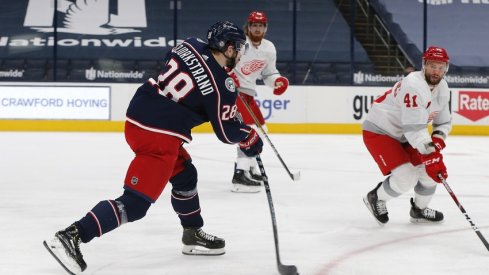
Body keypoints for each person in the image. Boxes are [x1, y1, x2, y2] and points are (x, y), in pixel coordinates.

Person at [43, 21, 263, 274]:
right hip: (159, 135)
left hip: (139, 114)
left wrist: (221, 97)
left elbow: (191, 78)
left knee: (185, 175)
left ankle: (192, 234)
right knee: (135, 204)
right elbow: (226, 132)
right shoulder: (222, 88)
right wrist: (249, 138)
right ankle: (71, 236)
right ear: (228, 48)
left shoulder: (189, 44)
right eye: (239, 48)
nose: (240, 53)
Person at [362, 46, 451, 225]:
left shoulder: (443, 88)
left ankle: (419, 210)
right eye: (433, 66)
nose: (437, 72)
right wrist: (431, 154)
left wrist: (437, 142)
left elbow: (443, 123)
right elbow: (414, 130)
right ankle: (375, 198)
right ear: (424, 65)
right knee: (406, 177)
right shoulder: (414, 85)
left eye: (441, 67)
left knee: (428, 172)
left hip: (407, 134)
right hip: (381, 131)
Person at [229, 11, 289, 193]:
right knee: (250, 131)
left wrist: (277, 82)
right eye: (254, 25)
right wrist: (229, 76)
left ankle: (249, 168)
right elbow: (221, 62)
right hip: (232, 92)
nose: (257, 28)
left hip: (248, 93)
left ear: (265, 28)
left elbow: (269, 73)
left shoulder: (269, 48)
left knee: (261, 130)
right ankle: (240, 174)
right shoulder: (238, 42)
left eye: (261, 25)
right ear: (248, 26)